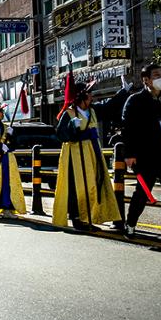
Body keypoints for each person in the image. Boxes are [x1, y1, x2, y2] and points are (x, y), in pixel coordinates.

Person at [53, 82, 121, 231]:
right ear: (81, 96)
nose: (92, 96)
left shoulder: (93, 111)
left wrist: (123, 91)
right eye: (89, 93)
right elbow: (61, 135)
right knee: (77, 186)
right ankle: (78, 218)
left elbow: (110, 107)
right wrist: (72, 126)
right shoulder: (69, 113)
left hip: (92, 152)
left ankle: (89, 216)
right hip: (75, 155)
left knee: (93, 183)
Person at [121, 65, 161, 241]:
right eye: (156, 75)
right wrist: (129, 154)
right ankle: (130, 224)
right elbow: (127, 129)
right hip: (146, 154)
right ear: (146, 79)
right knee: (142, 192)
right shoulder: (135, 100)